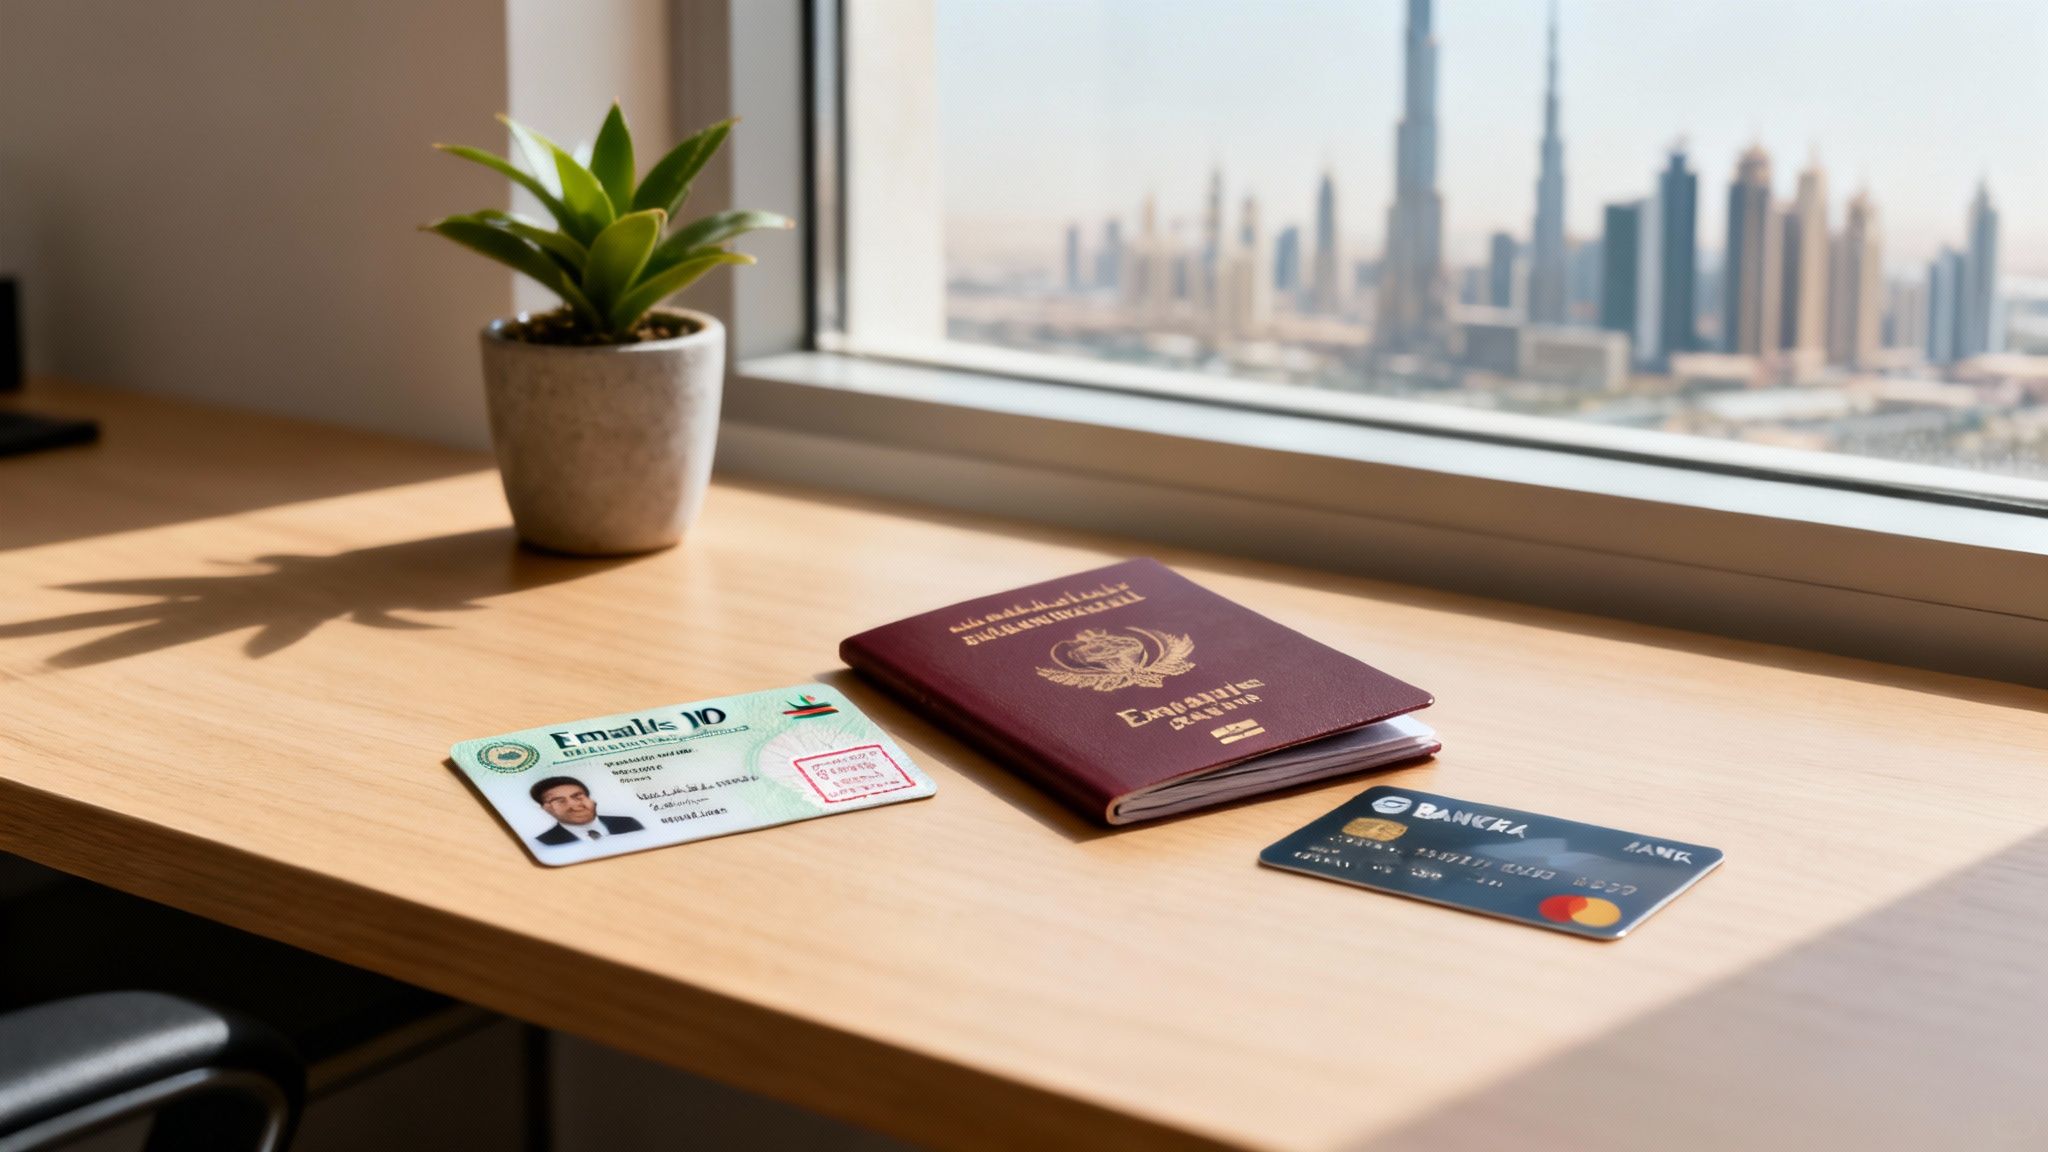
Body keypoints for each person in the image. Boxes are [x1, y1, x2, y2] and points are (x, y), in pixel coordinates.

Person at [528, 776, 643, 846]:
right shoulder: (545, 842)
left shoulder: (629, 823)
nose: (574, 805)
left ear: (591, 800)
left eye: (578, 797)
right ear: (546, 809)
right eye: (560, 801)